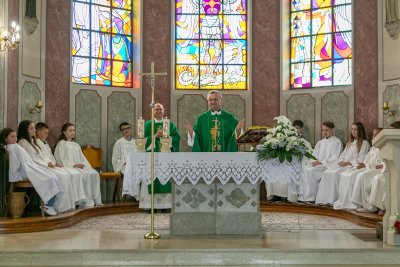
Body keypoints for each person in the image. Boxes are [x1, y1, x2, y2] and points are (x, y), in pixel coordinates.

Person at [0, 128, 62, 216]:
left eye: (15, 136)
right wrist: (15, 176)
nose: (15, 138)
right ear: (5, 139)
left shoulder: (15, 146)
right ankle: (48, 205)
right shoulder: (12, 148)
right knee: (49, 178)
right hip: (25, 171)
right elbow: (14, 163)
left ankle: (49, 204)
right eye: (12, 137)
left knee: (52, 176)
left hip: (29, 167)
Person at [17, 120, 75, 213]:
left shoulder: (31, 141)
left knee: (62, 174)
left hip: (38, 166)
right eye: (31, 128)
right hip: (31, 168)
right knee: (54, 176)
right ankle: (50, 204)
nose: (34, 130)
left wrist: (48, 163)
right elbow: (32, 159)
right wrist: (46, 164)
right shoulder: (23, 142)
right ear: (25, 130)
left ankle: (60, 204)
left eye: (34, 128)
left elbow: (40, 156)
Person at [138, 103, 180, 213]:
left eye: (160, 109)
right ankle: (150, 205)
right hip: (151, 156)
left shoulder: (170, 125)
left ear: (163, 111)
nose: (158, 111)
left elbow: (176, 138)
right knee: (151, 178)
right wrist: (156, 136)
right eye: (156, 109)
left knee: (165, 178)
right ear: (153, 111)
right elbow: (142, 140)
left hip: (165, 157)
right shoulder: (147, 125)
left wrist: (167, 137)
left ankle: (166, 205)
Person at [315, 122, 370, 206]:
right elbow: (342, 154)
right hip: (344, 165)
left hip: (352, 167)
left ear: (360, 130)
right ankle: (324, 200)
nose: (353, 131)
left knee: (334, 174)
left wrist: (347, 163)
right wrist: (341, 161)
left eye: (355, 129)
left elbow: (361, 159)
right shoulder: (349, 143)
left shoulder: (364, 143)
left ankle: (332, 200)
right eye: (352, 129)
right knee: (327, 173)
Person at [35, 122, 87, 208]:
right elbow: (40, 158)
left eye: (47, 133)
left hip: (52, 166)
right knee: (65, 175)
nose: (47, 135)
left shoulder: (44, 143)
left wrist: (55, 163)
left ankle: (69, 203)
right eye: (45, 133)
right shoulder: (36, 143)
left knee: (69, 174)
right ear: (38, 132)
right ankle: (58, 205)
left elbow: (50, 157)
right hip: (45, 167)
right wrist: (52, 163)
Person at [334, 128, 383, 210]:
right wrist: (364, 164)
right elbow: (366, 160)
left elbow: (383, 162)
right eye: (373, 134)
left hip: (377, 169)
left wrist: (366, 165)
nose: (373, 136)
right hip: (368, 167)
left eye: (376, 134)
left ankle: (365, 204)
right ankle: (355, 202)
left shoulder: (383, 147)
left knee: (361, 176)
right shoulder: (373, 147)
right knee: (357, 174)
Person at [54, 123, 102, 207]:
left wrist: (83, 164)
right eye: (70, 130)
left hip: (79, 167)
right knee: (82, 175)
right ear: (64, 132)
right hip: (69, 168)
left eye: (73, 130)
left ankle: (92, 200)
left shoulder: (76, 145)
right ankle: (81, 201)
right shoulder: (61, 144)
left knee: (93, 173)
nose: (72, 132)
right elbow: (61, 159)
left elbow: (83, 159)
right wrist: (74, 165)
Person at [299, 121, 343, 202]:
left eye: (326, 130)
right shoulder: (320, 142)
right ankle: (305, 195)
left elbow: (335, 157)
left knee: (310, 171)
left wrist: (320, 162)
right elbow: (314, 154)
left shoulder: (337, 142)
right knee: (305, 169)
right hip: (318, 164)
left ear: (332, 130)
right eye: (323, 130)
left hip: (327, 166)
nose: (324, 132)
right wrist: (313, 161)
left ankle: (311, 197)